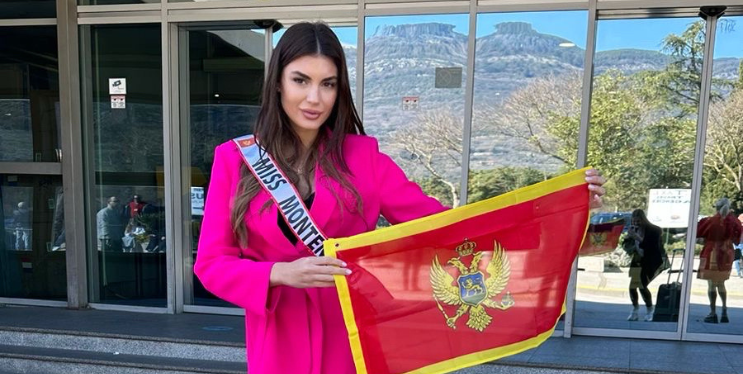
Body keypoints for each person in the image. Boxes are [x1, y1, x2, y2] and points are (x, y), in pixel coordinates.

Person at [194, 22, 607, 374]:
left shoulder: (363, 158)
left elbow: (446, 229)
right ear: (278, 83)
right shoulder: (236, 160)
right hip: (278, 344)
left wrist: (562, 211)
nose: (314, 98)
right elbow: (211, 264)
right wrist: (278, 274)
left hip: (352, 343)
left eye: (328, 84)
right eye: (301, 80)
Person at [697, 198, 742, 323]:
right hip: (726, 253)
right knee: (721, 283)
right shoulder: (735, 222)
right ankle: (724, 310)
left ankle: (712, 313)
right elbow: (738, 240)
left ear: (716, 208)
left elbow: (699, 236)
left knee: (711, 284)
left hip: (711, 252)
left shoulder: (710, 221)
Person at [622, 209, 667, 322]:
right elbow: (626, 246)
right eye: (634, 221)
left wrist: (637, 237)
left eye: (638, 221)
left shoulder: (654, 230)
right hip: (637, 260)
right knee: (633, 286)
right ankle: (635, 309)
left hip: (651, 260)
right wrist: (628, 237)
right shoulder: (633, 229)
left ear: (644, 220)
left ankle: (649, 309)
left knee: (642, 285)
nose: (636, 223)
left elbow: (651, 246)